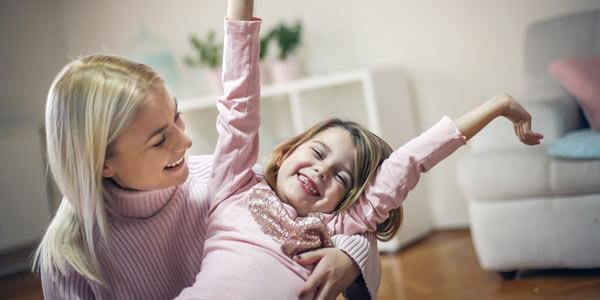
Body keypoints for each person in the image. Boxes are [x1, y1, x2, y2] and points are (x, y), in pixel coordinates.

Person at [175, 1, 543, 300]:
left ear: (349, 200)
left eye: (341, 176)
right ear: (286, 152)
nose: (322, 171)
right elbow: (240, 100)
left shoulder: (336, 225)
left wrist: (497, 106)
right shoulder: (234, 185)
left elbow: (410, 161)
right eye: (318, 154)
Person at [33, 1, 382, 299]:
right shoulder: (68, 258)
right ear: (103, 164)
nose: (185, 142)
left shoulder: (223, 179)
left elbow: (352, 215)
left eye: (177, 116)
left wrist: (349, 256)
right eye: (159, 140)